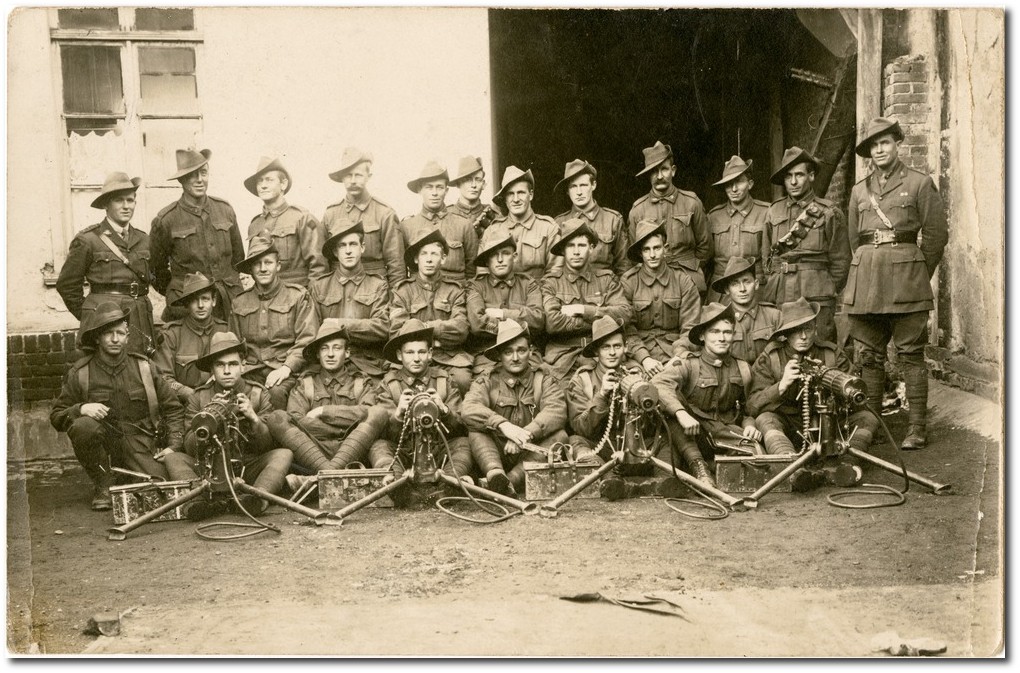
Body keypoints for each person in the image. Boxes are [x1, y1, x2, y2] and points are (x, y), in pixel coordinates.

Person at [845, 117, 949, 450]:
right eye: (874, 145)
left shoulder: (919, 183)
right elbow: (853, 240)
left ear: (897, 144)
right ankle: (871, 424)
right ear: (869, 153)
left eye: (885, 142)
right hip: (868, 282)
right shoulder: (858, 190)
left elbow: (935, 235)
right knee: (870, 356)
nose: (879, 150)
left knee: (911, 354)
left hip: (907, 282)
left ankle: (916, 427)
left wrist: (917, 270)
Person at [50, 303, 184, 510]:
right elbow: (57, 416)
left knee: (160, 489)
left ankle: (128, 479)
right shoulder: (81, 373)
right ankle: (103, 484)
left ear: (128, 337)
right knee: (83, 426)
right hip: (106, 445)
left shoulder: (145, 368)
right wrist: (81, 409)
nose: (115, 339)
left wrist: (173, 446)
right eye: (108, 333)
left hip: (141, 443)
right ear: (97, 338)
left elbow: (173, 408)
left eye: (120, 333)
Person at [747, 298, 878, 490]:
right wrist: (781, 386)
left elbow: (856, 397)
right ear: (785, 334)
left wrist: (837, 389)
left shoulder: (832, 354)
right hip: (791, 428)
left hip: (831, 427)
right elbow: (752, 405)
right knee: (765, 419)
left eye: (807, 328)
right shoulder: (772, 357)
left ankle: (847, 465)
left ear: (815, 328)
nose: (802, 336)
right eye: (795, 330)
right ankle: (792, 469)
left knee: (868, 418)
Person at [170, 332, 294, 517]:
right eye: (220, 365)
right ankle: (199, 503)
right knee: (173, 459)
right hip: (209, 469)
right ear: (212, 369)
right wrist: (207, 419)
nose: (226, 371)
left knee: (284, 454)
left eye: (233, 364)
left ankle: (257, 499)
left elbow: (267, 445)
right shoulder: (199, 397)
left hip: (247, 466)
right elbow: (189, 448)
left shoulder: (258, 394)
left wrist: (254, 418)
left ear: (243, 366)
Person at [652, 303, 761, 489]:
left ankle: (710, 468)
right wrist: (681, 413)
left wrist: (749, 424)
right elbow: (658, 384)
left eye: (727, 332)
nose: (722, 338)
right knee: (672, 415)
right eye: (715, 332)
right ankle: (700, 468)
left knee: (756, 454)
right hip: (690, 434)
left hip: (723, 433)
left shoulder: (743, 368)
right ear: (702, 336)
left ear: (733, 335)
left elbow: (748, 407)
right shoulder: (688, 364)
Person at [265, 320, 388, 476]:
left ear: (347, 352)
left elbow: (368, 413)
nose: (330, 354)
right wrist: (345, 425)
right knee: (277, 417)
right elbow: (297, 420)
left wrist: (325, 412)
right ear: (318, 354)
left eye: (336, 348)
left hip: (355, 450)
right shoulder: (306, 382)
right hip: (313, 451)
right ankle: (331, 474)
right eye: (324, 348)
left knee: (379, 413)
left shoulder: (360, 382)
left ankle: (320, 478)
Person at [462, 319, 569, 496]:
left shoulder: (544, 379)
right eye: (508, 352)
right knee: (475, 431)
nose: (515, 357)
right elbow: (469, 408)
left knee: (561, 437)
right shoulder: (487, 380)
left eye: (521, 350)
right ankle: (495, 473)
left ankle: (508, 481)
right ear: (499, 355)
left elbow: (556, 411)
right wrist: (505, 426)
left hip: (530, 451)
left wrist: (524, 435)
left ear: (531, 351)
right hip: (495, 451)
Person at [565, 316, 667, 500]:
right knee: (575, 441)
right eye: (606, 347)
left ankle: (665, 480)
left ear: (625, 348)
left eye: (617, 346)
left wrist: (643, 394)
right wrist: (602, 395)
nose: (612, 353)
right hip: (603, 447)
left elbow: (656, 422)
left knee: (667, 438)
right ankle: (609, 480)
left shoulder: (638, 373)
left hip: (636, 445)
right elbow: (581, 427)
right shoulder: (582, 380)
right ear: (596, 352)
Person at [56, 172, 156, 356]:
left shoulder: (144, 239)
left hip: (140, 319)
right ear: (106, 205)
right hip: (105, 325)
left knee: (140, 375)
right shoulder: (88, 240)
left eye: (130, 200)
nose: (126, 206)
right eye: (119, 200)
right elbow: (67, 285)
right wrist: (92, 317)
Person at [369, 320, 474, 494]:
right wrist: (398, 414)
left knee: (464, 444)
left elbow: (460, 427)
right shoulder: (390, 384)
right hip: (404, 451)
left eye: (421, 352)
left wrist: (444, 410)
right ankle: (395, 483)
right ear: (400, 355)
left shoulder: (443, 380)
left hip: (439, 450)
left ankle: (449, 481)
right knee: (378, 447)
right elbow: (382, 431)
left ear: (430, 354)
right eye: (409, 352)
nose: (416, 358)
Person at [761, 147, 850, 345]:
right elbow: (767, 259)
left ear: (811, 176)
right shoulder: (773, 212)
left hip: (816, 293)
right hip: (781, 292)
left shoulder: (829, 212)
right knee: (781, 346)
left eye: (799, 175)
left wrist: (824, 285)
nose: (793, 182)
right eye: (788, 176)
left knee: (820, 345)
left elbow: (841, 262)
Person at [150, 148, 244, 324]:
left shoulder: (225, 210)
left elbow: (238, 258)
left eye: (204, 173)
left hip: (227, 302)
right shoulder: (166, 219)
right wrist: (180, 290)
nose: (200, 179)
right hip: (188, 306)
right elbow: (156, 270)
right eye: (193, 175)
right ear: (182, 179)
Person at [231, 236, 318, 410]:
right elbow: (233, 343)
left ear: (278, 266)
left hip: (286, 371)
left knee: (276, 392)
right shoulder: (239, 302)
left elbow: (307, 340)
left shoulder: (297, 296)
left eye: (268, 263)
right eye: (257, 264)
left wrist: (286, 368)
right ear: (250, 269)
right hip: (250, 371)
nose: (263, 268)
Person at [541, 218, 633, 380]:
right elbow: (552, 323)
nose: (576, 251)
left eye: (582, 245)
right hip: (563, 359)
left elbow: (624, 314)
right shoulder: (551, 282)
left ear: (591, 248)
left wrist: (582, 310)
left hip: (600, 355)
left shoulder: (606, 279)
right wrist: (601, 321)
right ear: (562, 250)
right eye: (571, 245)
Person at [389, 229, 473, 395]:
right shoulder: (402, 291)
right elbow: (396, 332)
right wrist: (436, 336)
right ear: (416, 259)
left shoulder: (455, 290)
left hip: (447, 357)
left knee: (462, 380)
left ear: (443, 259)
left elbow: (461, 328)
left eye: (434, 254)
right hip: (411, 358)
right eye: (424, 254)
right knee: (393, 385)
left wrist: (422, 328)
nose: (428, 259)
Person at [309, 220, 390, 381]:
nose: (348, 251)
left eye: (353, 244)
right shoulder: (319, 286)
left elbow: (382, 328)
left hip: (367, 366)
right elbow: (312, 330)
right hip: (327, 367)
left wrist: (340, 324)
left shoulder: (378, 285)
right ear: (335, 252)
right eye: (342, 246)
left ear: (362, 247)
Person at [627, 141, 711, 295]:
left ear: (673, 171)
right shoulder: (637, 210)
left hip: (689, 277)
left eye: (664, 169)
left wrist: (691, 267)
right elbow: (635, 254)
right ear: (648, 175)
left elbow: (705, 248)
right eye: (654, 171)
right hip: (652, 282)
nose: (659, 176)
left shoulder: (692, 202)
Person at [620, 220, 701, 376]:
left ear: (666, 248)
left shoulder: (682, 280)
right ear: (640, 253)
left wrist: (678, 356)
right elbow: (626, 329)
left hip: (675, 353)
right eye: (646, 249)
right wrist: (644, 358)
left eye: (656, 248)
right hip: (638, 356)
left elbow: (690, 327)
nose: (652, 255)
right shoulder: (629, 282)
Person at [321, 147, 405, 289]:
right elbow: (323, 260)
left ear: (368, 176)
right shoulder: (331, 213)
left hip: (375, 289)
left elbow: (395, 264)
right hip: (338, 288)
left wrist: (396, 299)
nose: (353, 181)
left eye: (358, 175)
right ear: (342, 178)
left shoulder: (384, 213)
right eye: (348, 175)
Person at [465, 233, 545, 375]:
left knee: (537, 377)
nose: (500, 260)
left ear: (514, 257)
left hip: (524, 353)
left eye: (505, 254)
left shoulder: (528, 284)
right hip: (487, 354)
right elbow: (477, 324)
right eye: (494, 255)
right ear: (487, 261)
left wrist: (501, 313)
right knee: (485, 381)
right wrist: (518, 322)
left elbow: (538, 319)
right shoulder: (476, 286)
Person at [245, 156, 328, 287]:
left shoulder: (301, 218)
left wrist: (309, 301)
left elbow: (318, 267)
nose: (263, 185)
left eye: (269, 180)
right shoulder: (255, 225)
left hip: (297, 296)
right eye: (259, 181)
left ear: (283, 184)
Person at [152, 272, 230, 406]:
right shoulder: (172, 334)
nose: (200, 305)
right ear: (187, 304)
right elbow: (163, 378)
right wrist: (192, 396)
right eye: (194, 300)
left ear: (214, 301)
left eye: (205, 299)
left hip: (221, 402)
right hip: (183, 404)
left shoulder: (225, 330)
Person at [398, 160, 479, 284]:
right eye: (429, 187)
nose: (434, 193)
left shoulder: (464, 225)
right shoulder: (406, 227)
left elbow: (472, 272)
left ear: (446, 191)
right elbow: (401, 271)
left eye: (439, 187)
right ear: (420, 190)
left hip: (456, 295)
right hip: (419, 296)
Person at [705, 156, 770, 303]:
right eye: (728, 184)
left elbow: (771, 260)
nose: (733, 189)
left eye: (739, 182)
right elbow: (706, 257)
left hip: (755, 292)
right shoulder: (714, 216)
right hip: (722, 293)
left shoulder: (766, 212)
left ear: (750, 184)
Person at [483, 166, 562, 280]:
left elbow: (555, 273)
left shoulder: (548, 228)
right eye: (510, 194)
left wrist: (535, 296)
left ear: (531, 195)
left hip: (539, 294)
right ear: (504, 198)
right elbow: (483, 274)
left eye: (521, 192)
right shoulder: (492, 230)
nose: (516, 199)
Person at [554, 159, 630, 276]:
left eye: (583, 185)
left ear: (593, 185)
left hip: (605, 291)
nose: (579, 192)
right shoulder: (558, 223)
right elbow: (554, 268)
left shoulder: (613, 220)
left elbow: (624, 267)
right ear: (568, 191)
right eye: (573, 187)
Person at [710, 256, 782, 364]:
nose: (742, 289)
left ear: (756, 284)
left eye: (747, 282)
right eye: (735, 284)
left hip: (769, 379)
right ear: (727, 290)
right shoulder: (718, 319)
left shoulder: (774, 316)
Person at [447, 155, 501, 238]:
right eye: (468, 180)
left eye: (478, 180)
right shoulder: (447, 215)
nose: (474, 185)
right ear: (458, 184)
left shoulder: (494, 216)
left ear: (483, 184)